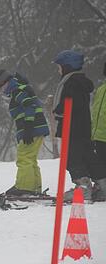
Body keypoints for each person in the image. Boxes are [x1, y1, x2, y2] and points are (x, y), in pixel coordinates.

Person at [52, 50, 106, 201]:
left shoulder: (71, 82)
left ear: (67, 67)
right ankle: (102, 184)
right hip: (82, 127)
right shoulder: (79, 81)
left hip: (72, 127)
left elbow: (70, 102)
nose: (58, 70)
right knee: (88, 156)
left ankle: (82, 187)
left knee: (72, 158)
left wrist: (59, 110)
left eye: (60, 67)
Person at [0, 70, 50, 196]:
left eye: (1, 88)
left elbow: (30, 106)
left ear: (6, 82)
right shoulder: (21, 89)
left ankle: (25, 188)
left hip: (31, 129)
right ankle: (34, 187)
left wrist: (28, 127)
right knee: (31, 159)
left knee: (24, 158)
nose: (1, 91)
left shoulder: (18, 91)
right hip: (36, 128)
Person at [90, 62, 106, 201]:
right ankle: (103, 189)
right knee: (101, 163)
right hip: (99, 135)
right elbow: (96, 111)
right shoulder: (101, 89)